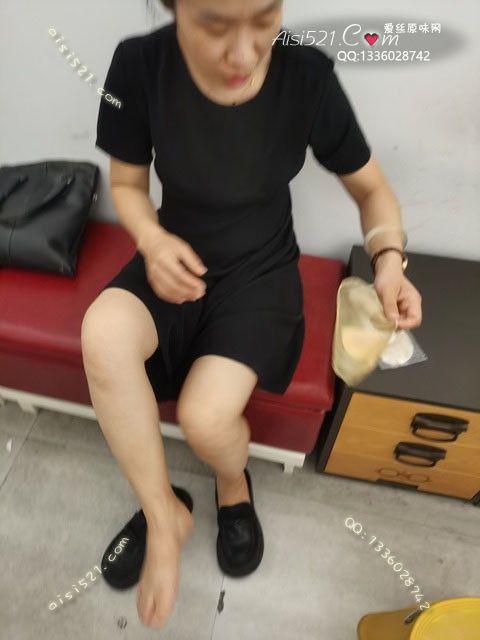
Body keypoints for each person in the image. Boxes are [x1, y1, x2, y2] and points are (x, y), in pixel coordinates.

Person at [82, 0, 423, 630]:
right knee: (102, 335)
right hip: (172, 258)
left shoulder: (306, 74)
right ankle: (164, 514)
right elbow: (128, 185)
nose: (243, 53)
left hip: (260, 271)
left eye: (264, 18)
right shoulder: (138, 65)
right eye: (214, 24)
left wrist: (389, 261)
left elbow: (372, 188)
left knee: (206, 419)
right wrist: (152, 241)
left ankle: (231, 484)